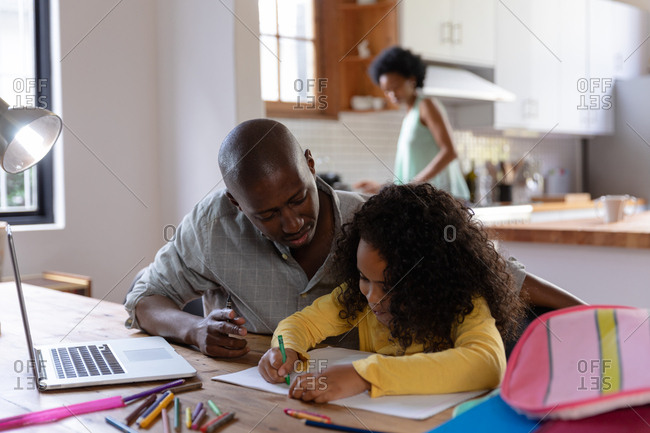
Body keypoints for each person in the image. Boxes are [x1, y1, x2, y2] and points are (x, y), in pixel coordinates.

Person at [124, 118, 583, 359]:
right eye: (266, 214)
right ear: (235, 203)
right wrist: (194, 329)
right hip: (262, 398)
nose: (291, 223)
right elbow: (145, 298)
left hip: (370, 399)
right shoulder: (212, 224)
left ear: (310, 162)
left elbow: (497, 274)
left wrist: (604, 321)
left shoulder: (372, 221)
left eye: (298, 198)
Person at [258, 184, 525, 402]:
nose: (372, 297)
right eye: (364, 277)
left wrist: (362, 376)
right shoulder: (356, 297)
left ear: (431, 280)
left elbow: (487, 363)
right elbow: (301, 323)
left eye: (390, 287)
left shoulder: (464, 302)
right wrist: (286, 348)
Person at [355, 46, 470, 201]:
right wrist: (382, 187)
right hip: (424, 199)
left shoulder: (426, 105)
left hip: (442, 199)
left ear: (412, 80)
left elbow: (450, 152)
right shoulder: (409, 116)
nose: (392, 94)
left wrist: (412, 186)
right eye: (387, 90)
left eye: (396, 87)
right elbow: (408, 174)